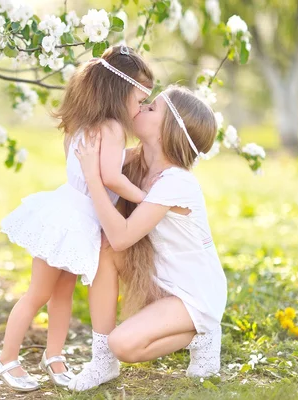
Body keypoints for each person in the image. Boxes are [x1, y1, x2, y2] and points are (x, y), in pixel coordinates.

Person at [0, 45, 154, 392]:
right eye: (140, 99)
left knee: (61, 293)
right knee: (38, 294)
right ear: (121, 92)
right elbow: (109, 177)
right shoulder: (111, 128)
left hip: (72, 215)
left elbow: (90, 166)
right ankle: (5, 358)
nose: (141, 107)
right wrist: (148, 199)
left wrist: (130, 155)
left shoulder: (81, 125)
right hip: (70, 221)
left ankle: (55, 355)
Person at [68, 85, 227, 391]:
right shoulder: (138, 162)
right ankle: (102, 360)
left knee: (125, 345)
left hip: (192, 295)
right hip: (161, 279)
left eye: (152, 108)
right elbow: (92, 163)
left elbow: (123, 236)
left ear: (167, 131)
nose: (141, 108)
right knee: (104, 251)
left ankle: (204, 332)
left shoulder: (177, 182)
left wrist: (92, 177)